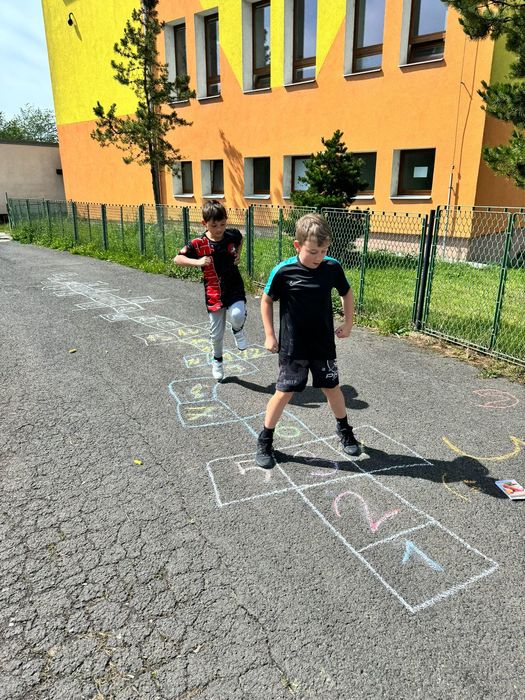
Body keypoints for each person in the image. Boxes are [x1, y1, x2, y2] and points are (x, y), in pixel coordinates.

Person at [255, 213, 360, 468]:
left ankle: (344, 430)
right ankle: (265, 440)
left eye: (323, 251)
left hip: (323, 345)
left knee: (332, 388)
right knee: (284, 392)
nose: (318, 257)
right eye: (313, 251)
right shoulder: (284, 271)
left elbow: (346, 293)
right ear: (297, 245)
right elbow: (266, 300)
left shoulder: (332, 267)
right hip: (293, 347)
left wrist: (348, 323)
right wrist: (269, 334)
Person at [173, 200, 248, 381]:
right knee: (216, 334)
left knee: (238, 315)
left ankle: (237, 330)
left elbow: (240, 239)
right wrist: (197, 262)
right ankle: (218, 361)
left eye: (222, 224)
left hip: (234, 285)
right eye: (214, 225)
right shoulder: (199, 243)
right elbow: (177, 259)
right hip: (214, 291)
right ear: (204, 223)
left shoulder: (231, 235)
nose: (219, 229)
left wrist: (238, 254)